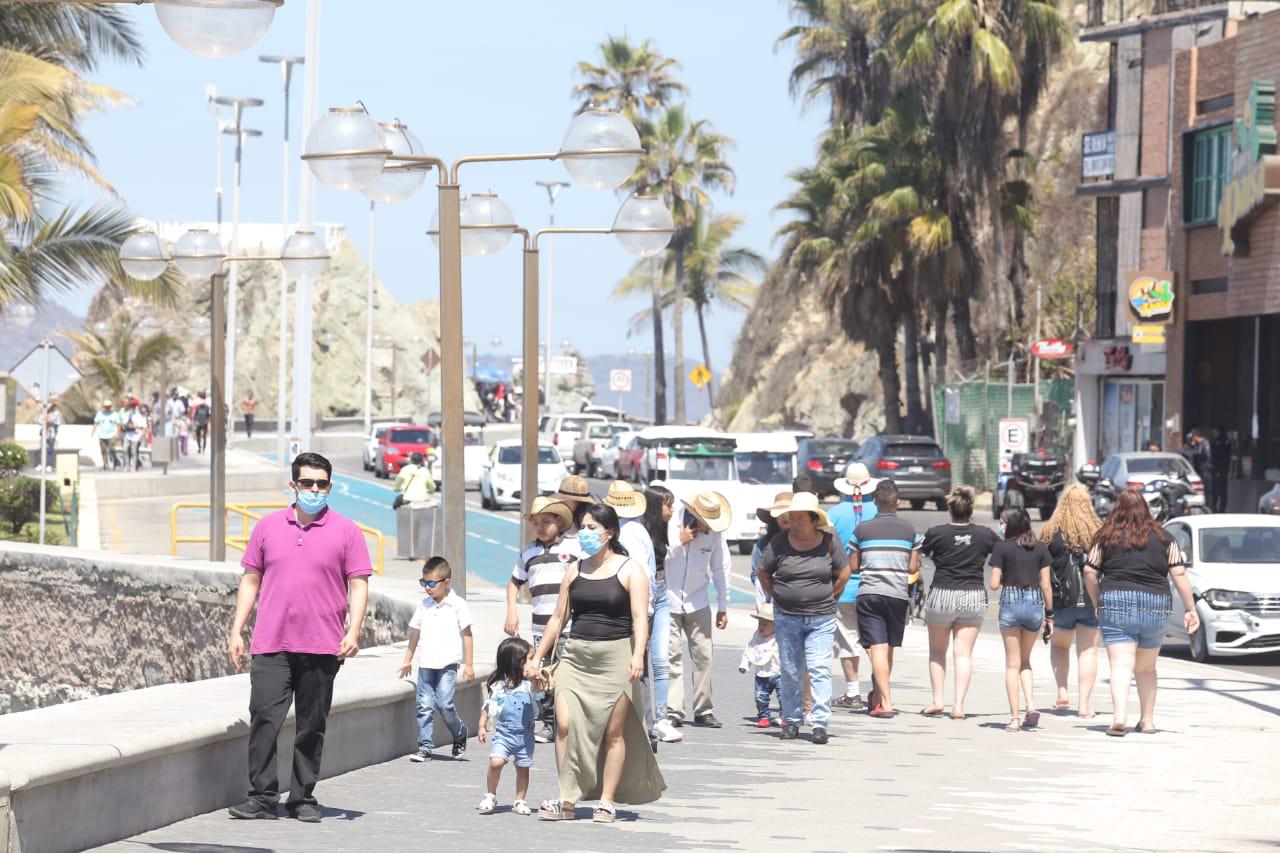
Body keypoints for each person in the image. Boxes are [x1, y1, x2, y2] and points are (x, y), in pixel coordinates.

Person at [227, 452, 371, 822]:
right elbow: (250, 579)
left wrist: (353, 630)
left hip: (322, 645)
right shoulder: (267, 527)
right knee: (264, 718)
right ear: (293, 485)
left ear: (330, 487)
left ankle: (302, 797)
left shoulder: (347, 531)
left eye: (321, 484)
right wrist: (237, 629)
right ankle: (261, 796)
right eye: (307, 483)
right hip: (271, 644)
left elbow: (358, 584)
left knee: (312, 724)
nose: (314, 489)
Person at [527, 503, 665, 823]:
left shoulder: (630, 569)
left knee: (611, 734)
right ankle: (567, 797)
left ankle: (606, 800)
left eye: (592, 528)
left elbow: (639, 619)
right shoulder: (575, 570)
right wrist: (536, 657)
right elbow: (558, 618)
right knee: (564, 725)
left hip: (615, 658)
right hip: (575, 656)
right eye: (583, 527)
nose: (585, 533)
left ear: (609, 533)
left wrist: (637, 654)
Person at [1084, 490, 1199, 736]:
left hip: (1115, 602)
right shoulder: (1165, 537)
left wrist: (1097, 601)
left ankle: (1119, 717)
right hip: (1155, 605)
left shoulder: (1104, 537)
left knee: (1121, 665)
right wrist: (1190, 609)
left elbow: (1089, 571)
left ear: (1117, 509)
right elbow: (1178, 573)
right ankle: (1147, 721)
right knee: (1146, 669)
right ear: (1146, 509)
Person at [758, 492, 849, 743]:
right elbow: (763, 570)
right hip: (787, 616)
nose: (794, 523)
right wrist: (774, 593)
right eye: (791, 518)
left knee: (819, 668)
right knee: (790, 670)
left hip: (821, 617)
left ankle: (819, 723)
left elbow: (844, 571)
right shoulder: (779, 541)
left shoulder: (829, 541)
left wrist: (832, 595)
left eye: (800, 519)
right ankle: (792, 720)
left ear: (813, 520)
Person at [920, 485, 998, 720]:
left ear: (950, 508)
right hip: (973, 595)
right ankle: (959, 706)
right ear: (971, 508)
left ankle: (937, 700)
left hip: (942, 593)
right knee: (963, 654)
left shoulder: (936, 533)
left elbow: (921, 551)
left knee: (937, 652)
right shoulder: (985, 534)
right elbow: (1003, 550)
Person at [505, 496, 578, 744]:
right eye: (536, 523)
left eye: (546, 521)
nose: (540, 527)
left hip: (569, 625)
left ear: (559, 521)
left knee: (567, 674)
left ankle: (568, 721)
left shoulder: (574, 548)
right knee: (544, 674)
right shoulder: (528, 552)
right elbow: (515, 582)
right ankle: (549, 723)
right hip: (540, 625)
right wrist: (512, 611)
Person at [849, 480, 922, 717]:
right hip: (897, 595)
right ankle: (880, 698)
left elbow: (853, 566)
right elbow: (913, 568)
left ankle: (884, 701)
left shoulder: (862, 530)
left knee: (878, 649)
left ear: (874, 502)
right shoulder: (910, 530)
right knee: (888, 648)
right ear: (897, 502)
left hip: (870, 593)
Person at [663, 491, 732, 730]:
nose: (708, 527)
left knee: (703, 655)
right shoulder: (671, 523)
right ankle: (673, 710)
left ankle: (704, 709)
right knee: (671, 656)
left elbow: (721, 569)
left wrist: (723, 605)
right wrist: (678, 541)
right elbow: (658, 557)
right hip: (669, 599)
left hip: (698, 600)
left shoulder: (715, 535)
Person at [396, 556, 474, 762]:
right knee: (424, 705)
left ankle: (459, 732)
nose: (427, 588)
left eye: (431, 584)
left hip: (448, 664)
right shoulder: (424, 604)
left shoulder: (458, 605)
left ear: (446, 582)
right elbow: (415, 633)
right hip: (426, 664)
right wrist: (407, 659)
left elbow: (467, 634)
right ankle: (425, 747)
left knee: (445, 704)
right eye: (424, 583)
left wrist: (469, 665)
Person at [602, 481, 661, 749]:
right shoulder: (636, 529)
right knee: (638, 670)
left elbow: (636, 575)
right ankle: (645, 729)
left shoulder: (628, 533)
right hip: (639, 610)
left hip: (632, 611)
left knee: (634, 670)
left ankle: (645, 731)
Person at [1039, 484, 1103, 717]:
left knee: (1059, 646)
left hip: (1061, 601)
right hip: (1090, 600)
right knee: (1087, 651)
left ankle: (1062, 691)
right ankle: (1084, 705)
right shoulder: (1097, 531)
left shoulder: (1049, 532)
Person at [990, 507, 1054, 732]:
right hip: (1035, 603)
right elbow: (1046, 585)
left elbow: (994, 584)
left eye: (1003, 522)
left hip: (1011, 602)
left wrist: (1007, 574)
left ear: (1011, 525)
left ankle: (1014, 718)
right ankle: (1031, 706)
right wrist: (1050, 615)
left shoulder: (1001, 548)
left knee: (1011, 664)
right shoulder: (1041, 549)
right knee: (1025, 661)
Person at [829, 463, 880, 712]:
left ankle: (852, 692)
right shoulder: (878, 511)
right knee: (875, 642)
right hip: (875, 586)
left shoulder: (834, 513)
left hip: (844, 586)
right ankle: (881, 690)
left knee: (847, 641)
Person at [476, 637, 537, 816]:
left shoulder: (528, 684)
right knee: (496, 762)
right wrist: (481, 725)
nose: (533, 662)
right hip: (503, 734)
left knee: (523, 767)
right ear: (516, 661)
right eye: (529, 658)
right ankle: (490, 795)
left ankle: (519, 800)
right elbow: (488, 706)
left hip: (525, 735)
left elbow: (541, 691)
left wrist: (537, 678)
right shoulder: (499, 685)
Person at [642, 484, 679, 744]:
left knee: (661, 658)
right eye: (668, 504)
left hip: (662, 592)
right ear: (656, 506)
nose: (672, 509)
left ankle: (662, 717)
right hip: (645, 594)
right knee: (643, 660)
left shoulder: (662, 530)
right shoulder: (640, 532)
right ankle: (646, 718)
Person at [738, 603, 781, 727]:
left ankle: (784, 716)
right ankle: (764, 717)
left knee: (783, 697)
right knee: (760, 697)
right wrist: (744, 665)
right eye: (760, 623)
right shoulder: (756, 637)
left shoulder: (779, 637)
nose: (761, 627)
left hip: (779, 673)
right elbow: (749, 651)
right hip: (761, 674)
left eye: (765, 624)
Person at [750, 492, 791, 605]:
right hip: (769, 601)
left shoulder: (804, 541)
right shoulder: (764, 542)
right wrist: (769, 583)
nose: (784, 517)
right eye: (780, 513)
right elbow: (755, 573)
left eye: (788, 513)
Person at [93, 399, 121, 470]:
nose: (107, 408)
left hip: (112, 434)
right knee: (103, 450)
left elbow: (118, 424)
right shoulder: (100, 414)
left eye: (108, 406)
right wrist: (93, 430)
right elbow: (96, 422)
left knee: (112, 449)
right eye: (106, 406)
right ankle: (105, 464)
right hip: (102, 435)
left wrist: (118, 434)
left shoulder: (115, 414)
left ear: (110, 406)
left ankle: (115, 461)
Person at [1210, 427, 1232, 513]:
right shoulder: (1216, 442)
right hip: (1218, 470)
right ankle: (1215, 508)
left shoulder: (1222, 442)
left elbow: (1220, 456)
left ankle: (1221, 508)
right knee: (1217, 491)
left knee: (1222, 491)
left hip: (1221, 470)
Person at [122, 400, 147, 471]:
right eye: (130, 407)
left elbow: (142, 426)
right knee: (125, 450)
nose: (131, 409)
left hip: (135, 436)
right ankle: (126, 465)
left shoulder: (138, 416)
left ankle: (133, 466)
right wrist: (125, 426)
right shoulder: (126, 414)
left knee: (134, 451)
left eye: (132, 407)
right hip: (127, 435)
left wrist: (134, 426)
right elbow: (123, 424)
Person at [42, 401, 61, 473]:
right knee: (42, 449)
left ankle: (49, 465)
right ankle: (42, 464)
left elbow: (57, 423)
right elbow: (40, 421)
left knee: (50, 449)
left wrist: (51, 421)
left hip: (51, 434)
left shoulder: (56, 413)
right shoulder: (44, 412)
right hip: (44, 434)